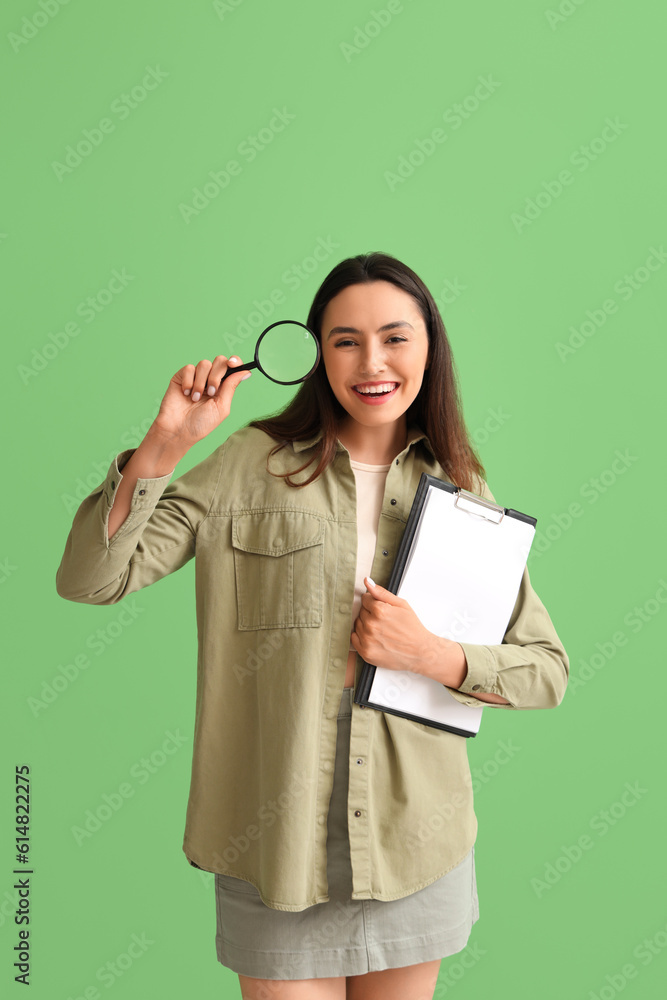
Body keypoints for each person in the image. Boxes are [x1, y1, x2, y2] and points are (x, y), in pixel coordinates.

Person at [55, 251, 569, 1000]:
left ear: (429, 346)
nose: (372, 362)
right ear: (316, 354)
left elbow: (544, 669)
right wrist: (166, 440)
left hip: (413, 848)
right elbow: (91, 579)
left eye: (395, 337)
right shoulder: (247, 464)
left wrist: (430, 654)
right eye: (344, 340)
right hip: (275, 851)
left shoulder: (461, 492)